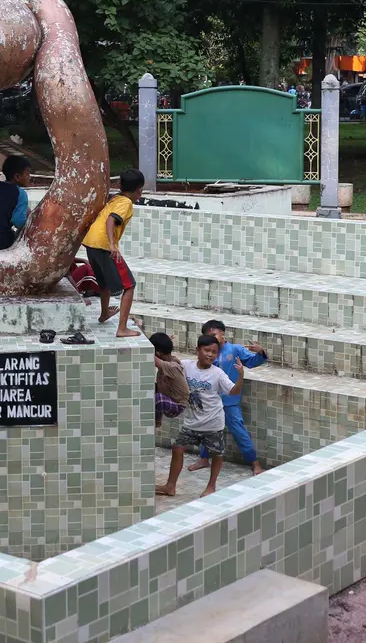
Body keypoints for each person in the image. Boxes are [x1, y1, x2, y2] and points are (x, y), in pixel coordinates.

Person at [157, 335, 244, 498]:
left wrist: (240, 376)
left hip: (213, 423)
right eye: (207, 350)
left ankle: (211, 486)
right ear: (198, 350)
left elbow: (234, 391)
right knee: (177, 449)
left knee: (217, 454)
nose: (210, 355)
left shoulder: (218, 373)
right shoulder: (186, 366)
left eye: (214, 352)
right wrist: (166, 347)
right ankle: (170, 486)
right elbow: (171, 365)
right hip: (191, 423)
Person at [188, 320, 269, 476]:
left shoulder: (235, 349)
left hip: (229, 402)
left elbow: (252, 362)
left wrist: (261, 352)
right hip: (210, 400)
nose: (211, 339)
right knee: (207, 430)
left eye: (214, 335)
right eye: (208, 337)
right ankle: (203, 459)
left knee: (239, 431)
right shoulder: (209, 351)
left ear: (222, 333)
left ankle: (255, 463)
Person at [81, 169, 146, 338]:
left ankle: (104, 314)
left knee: (104, 283)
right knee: (129, 285)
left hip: (90, 243)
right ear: (139, 190)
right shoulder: (126, 203)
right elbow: (111, 220)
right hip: (103, 245)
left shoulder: (114, 198)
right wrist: (112, 244)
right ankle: (122, 328)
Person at [149, 332, 189, 428]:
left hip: (177, 405)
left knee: (158, 398)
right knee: (149, 386)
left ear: (158, 353)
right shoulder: (169, 359)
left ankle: (157, 421)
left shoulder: (172, 366)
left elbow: (148, 352)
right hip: (168, 395)